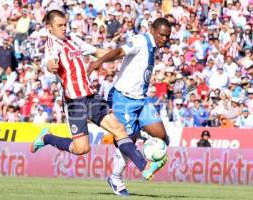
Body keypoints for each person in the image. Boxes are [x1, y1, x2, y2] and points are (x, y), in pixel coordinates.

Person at [30, 9, 164, 182]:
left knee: (119, 129)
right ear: (49, 28)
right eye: (60, 26)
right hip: (74, 102)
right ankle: (46, 138)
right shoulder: (52, 44)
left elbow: (98, 52)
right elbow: (50, 61)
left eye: (65, 25)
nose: (64, 28)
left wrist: (125, 58)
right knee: (81, 149)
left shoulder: (73, 40)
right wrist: (51, 65)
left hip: (91, 97)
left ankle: (144, 166)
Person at [88, 18, 171, 196]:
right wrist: (99, 62)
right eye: (162, 35)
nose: (165, 38)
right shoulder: (141, 40)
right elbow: (119, 51)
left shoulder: (154, 45)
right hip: (123, 99)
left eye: (167, 36)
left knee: (162, 136)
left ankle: (141, 134)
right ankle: (116, 178)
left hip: (141, 99)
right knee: (126, 141)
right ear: (153, 30)